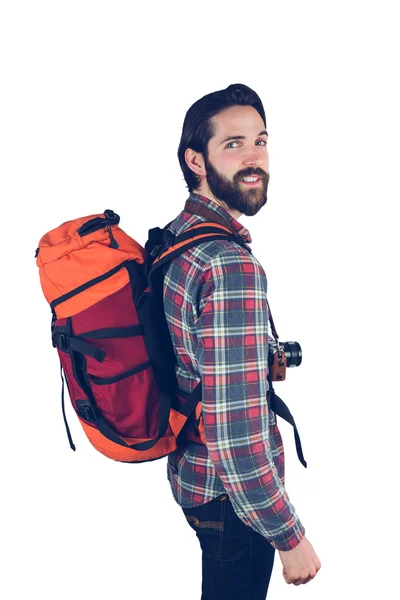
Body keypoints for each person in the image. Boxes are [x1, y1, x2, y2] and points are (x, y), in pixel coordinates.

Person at [162, 83, 321, 599]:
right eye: (233, 145)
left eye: (261, 140)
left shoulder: (178, 236)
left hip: (195, 478)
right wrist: (289, 537)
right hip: (234, 501)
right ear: (196, 160)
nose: (255, 157)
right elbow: (236, 431)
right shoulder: (229, 265)